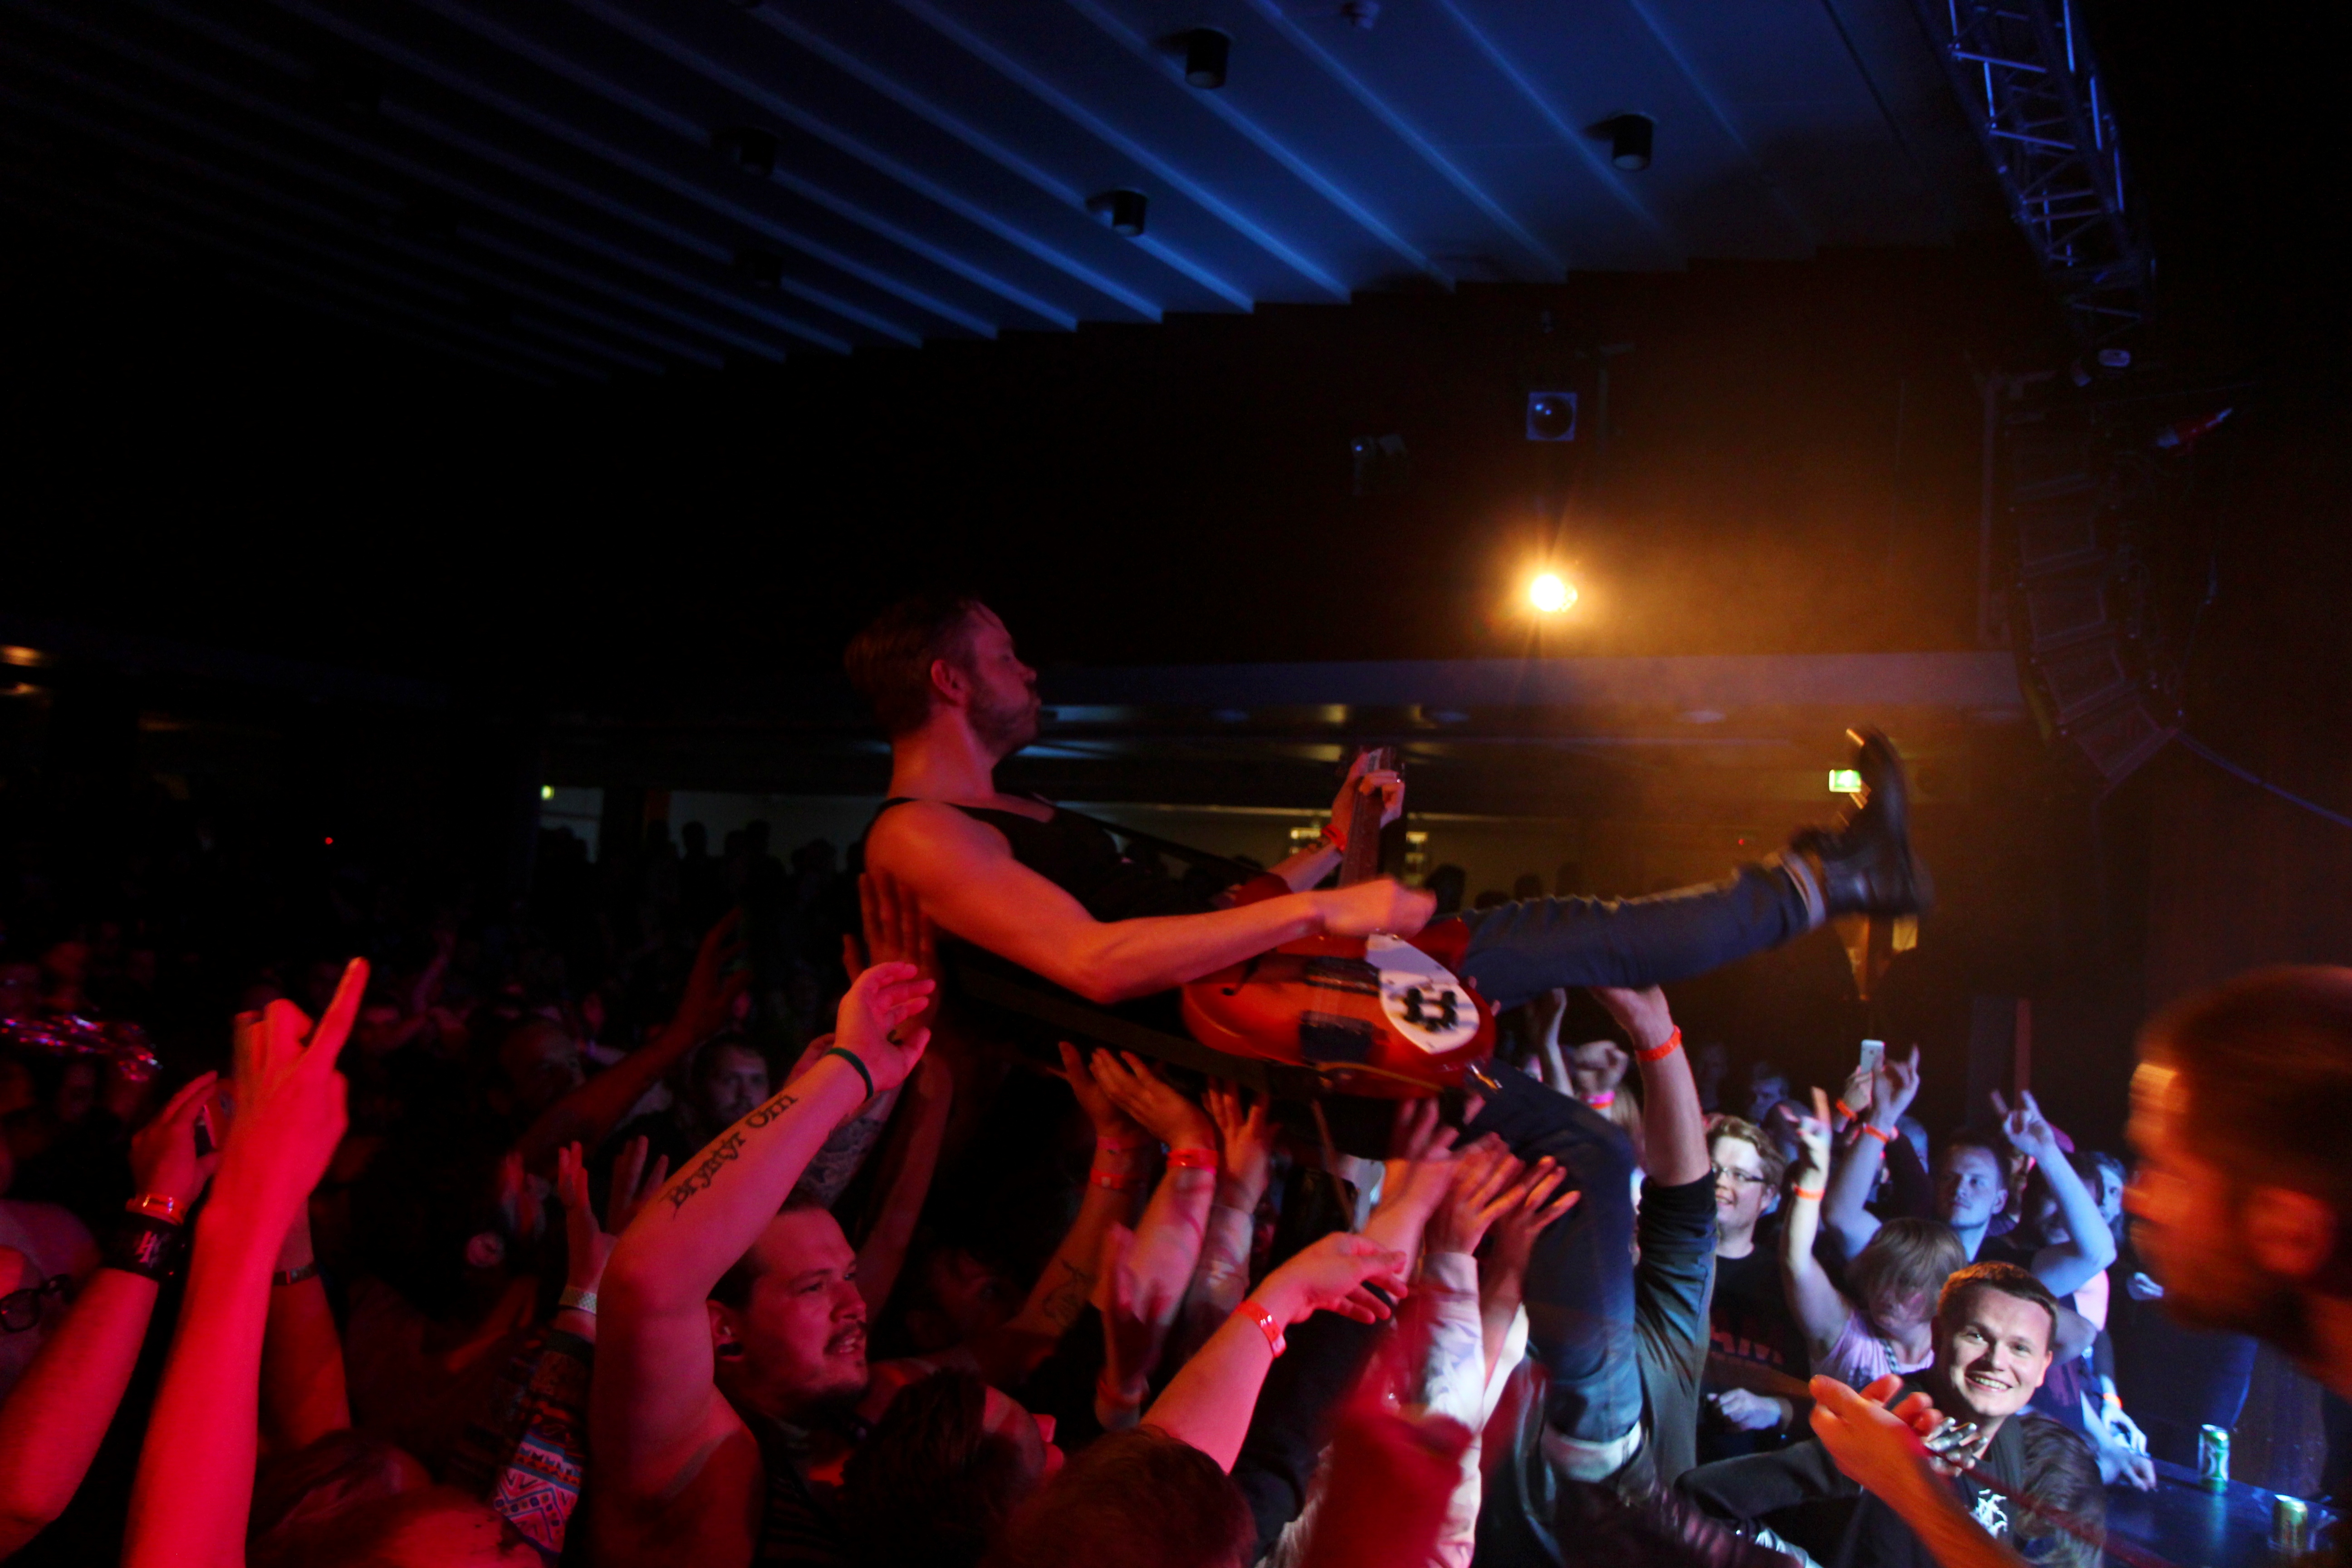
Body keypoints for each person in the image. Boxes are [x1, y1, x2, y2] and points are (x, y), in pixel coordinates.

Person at [851, 593, 1926, 1020]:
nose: (1027, 669)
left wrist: (1324, 851)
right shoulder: (916, 831)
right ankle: (1831, 881)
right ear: (947, 682)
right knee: (1565, 935)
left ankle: (1828, 882)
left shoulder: (1013, 802)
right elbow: (1094, 963)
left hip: (1256, 987)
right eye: (1002, 655)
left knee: (1571, 1037)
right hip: (1237, 1023)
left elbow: (1197, 922)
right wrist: (1317, 913)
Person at [1804, 966, 2352, 1568]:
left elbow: (2096, 1254)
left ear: (2289, 1228)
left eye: (2173, 1172)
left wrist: (1910, 1490)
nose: (2140, 1200)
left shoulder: (2012, 1266)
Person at [1679, 1262, 2063, 1568]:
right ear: (1938, 1336)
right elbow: (1702, 1497)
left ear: (2044, 1365)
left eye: (2020, 1349)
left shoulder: (2008, 1432)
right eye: (1977, 1336)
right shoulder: (1886, 1424)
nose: (1997, 1361)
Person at [1700, 1112, 1805, 1455]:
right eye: (1714, 1169)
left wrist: (1774, 1410)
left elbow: (1824, 1394)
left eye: (1741, 1175)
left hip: (1749, 1473)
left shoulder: (1785, 1281)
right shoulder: (1662, 1263)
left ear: (1768, 1196)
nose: (1721, 1182)